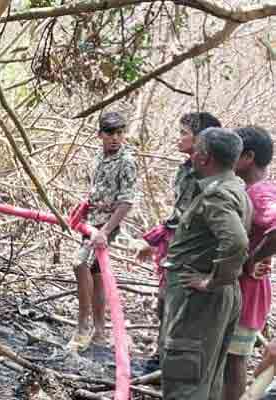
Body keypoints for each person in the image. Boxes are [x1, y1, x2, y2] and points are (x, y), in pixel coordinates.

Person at [160, 128, 253, 400]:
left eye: (197, 150)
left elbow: (236, 242)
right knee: (207, 380)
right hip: (214, 295)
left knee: (185, 382)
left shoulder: (218, 195)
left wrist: (212, 280)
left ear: (204, 158)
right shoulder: (234, 187)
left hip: (199, 300)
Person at [136, 112, 222, 369]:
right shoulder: (185, 170)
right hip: (176, 248)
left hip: (195, 255)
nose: (179, 138)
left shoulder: (210, 178)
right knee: (164, 302)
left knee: (179, 308)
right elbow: (178, 214)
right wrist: (154, 239)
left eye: (184, 133)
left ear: (201, 140)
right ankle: (160, 357)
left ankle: (171, 364)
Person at [68, 111, 137, 352]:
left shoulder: (127, 161)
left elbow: (126, 201)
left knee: (80, 263)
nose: (115, 138)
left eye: (120, 133)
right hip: (90, 221)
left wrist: (105, 231)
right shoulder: (98, 157)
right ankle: (98, 332)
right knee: (96, 275)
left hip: (106, 225)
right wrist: (82, 207)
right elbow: (96, 189)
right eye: (110, 133)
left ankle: (83, 325)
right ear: (100, 135)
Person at [223, 126, 276, 400]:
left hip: (248, 292)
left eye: (234, 152)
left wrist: (254, 258)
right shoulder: (249, 190)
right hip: (241, 288)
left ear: (248, 157)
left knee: (233, 362)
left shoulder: (261, 193)